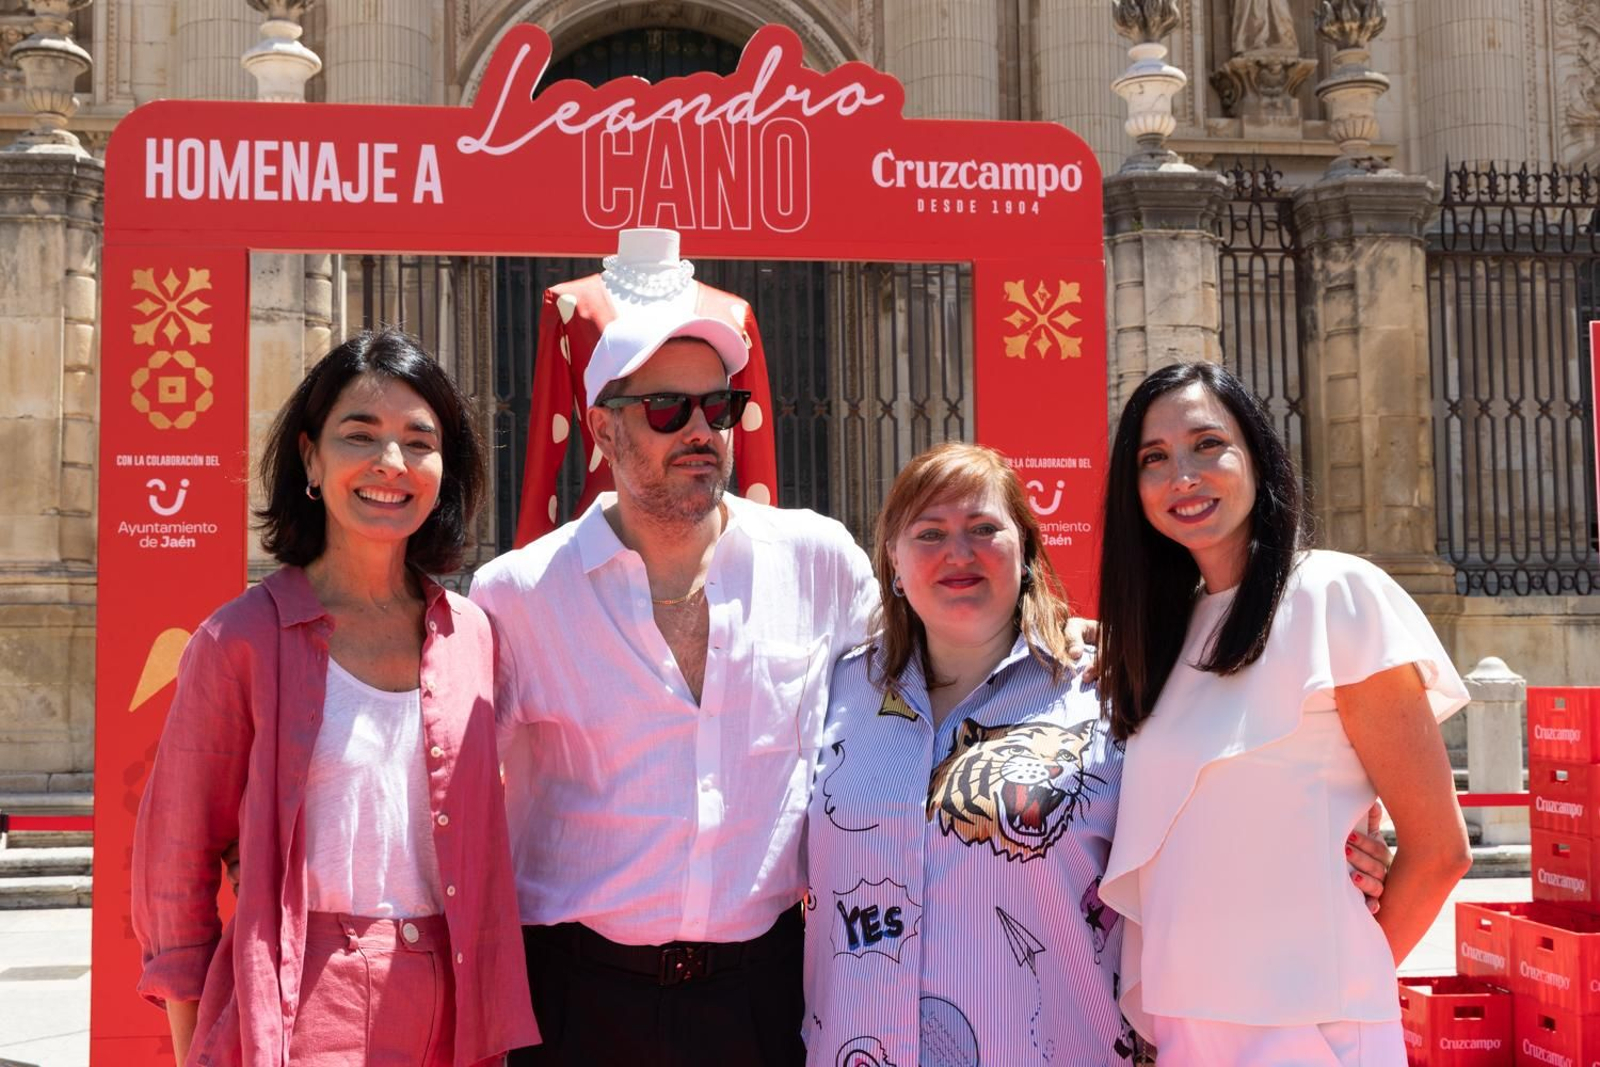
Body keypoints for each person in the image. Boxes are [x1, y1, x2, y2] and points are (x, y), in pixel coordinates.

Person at [470, 305, 879, 1066]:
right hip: (575, 1001)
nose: (701, 430)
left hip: (767, 995)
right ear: (602, 431)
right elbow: (453, 801)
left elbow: (911, 707)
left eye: (718, 407)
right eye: (667, 408)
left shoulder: (821, 562)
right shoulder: (518, 594)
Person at [131, 331, 538, 1066]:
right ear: (311, 458)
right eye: (362, 434)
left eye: (420, 441)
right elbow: (174, 866)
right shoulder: (240, 640)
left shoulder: (474, 635)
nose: (391, 463)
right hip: (300, 1001)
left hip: (455, 1008)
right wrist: (199, 1045)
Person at [1097, 361, 1472, 1064]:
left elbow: (1441, 849)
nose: (1183, 475)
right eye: (1155, 458)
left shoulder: (1336, 593)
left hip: (1309, 1028)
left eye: (1208, 444)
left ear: (1257, 455)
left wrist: (1341, 979)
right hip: (1184, 1026)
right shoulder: (1162, 640)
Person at [803, 442, 1143, 1066]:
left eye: (984, 528)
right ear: (894, 566)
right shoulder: (834, 688)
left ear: (1027, 553)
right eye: (929, 533)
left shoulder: (1109, 692)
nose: (958, 552)